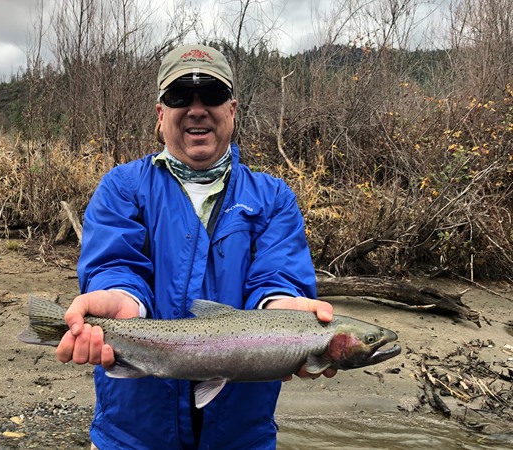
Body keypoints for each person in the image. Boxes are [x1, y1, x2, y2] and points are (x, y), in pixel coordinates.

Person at [55, 44, 336, 450]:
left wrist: (285, 318)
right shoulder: (123, 188)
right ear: (160, 114)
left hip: (242, 436)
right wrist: (121, 301)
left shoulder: (273, 198)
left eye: (213, 95)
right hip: (131, 434)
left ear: (233, 110)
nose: (197, 108)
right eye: (180, 96)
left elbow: (277, 281)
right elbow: (117, 269)